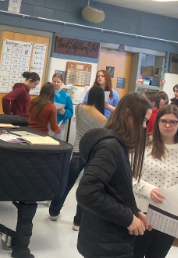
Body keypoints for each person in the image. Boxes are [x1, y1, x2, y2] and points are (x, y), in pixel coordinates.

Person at [76, 93, 151, 258]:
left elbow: (114, 190)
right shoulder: (110, 147)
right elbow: (87, 193)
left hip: (106, 237)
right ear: (127, 113)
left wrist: (133, 211)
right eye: (143, 120)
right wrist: (127, 217)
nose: (145, 126)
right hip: (105, 242)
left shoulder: (116, 144)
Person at [133, 104, 178, 258]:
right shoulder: (144, 144)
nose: (168, 125)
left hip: (169, 217)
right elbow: (129, 176)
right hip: (142, 212)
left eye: (173, 122)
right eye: (163, 121)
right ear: (157, 122)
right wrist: (147, 189)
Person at [49, 86, 107, 230]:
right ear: (101, 99)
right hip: (92, 155)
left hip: (77, 151)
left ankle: (54, 211)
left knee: (67, 182)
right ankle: (77, 222)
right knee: (85, 188)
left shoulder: (79, 108)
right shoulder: (103, 119)